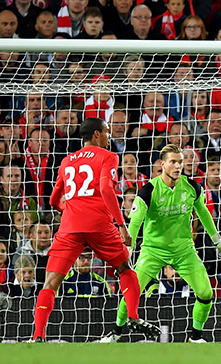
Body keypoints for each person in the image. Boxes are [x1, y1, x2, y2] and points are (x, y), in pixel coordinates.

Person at [32, 117, 159, 342]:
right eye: (107, 132)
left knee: (50, 282)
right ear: (97, 135)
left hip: (70, 226)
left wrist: (67, 209)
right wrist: (122, 225)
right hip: (99, 225)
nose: (109, 137)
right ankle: (133, 316)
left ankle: (38, 335)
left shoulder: (67, 161)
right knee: (125, 269)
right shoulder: (108, 156)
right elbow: (106, 189)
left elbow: (52, 200)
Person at [101, 144, 221, 343]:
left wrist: (217, 240)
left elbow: (203, 212)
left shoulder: (192, 187)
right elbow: (135, 223)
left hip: (183, 249)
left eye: (180, 162)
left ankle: (195, 337)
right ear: (162, 164)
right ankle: (115, 333)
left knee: (206, 292)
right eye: (173, 162)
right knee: (131, 290)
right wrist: (127, 250)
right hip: (153, 250)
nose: (178, 166)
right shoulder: (148, 190)